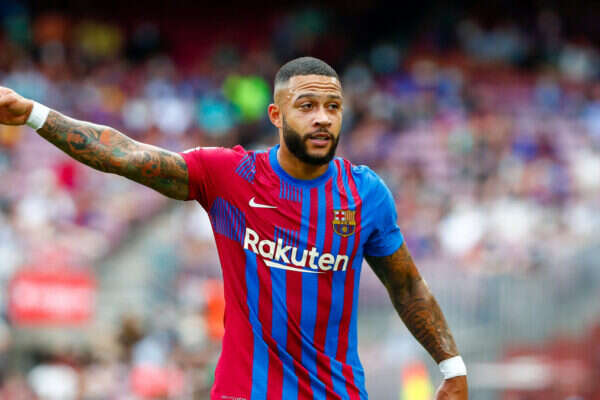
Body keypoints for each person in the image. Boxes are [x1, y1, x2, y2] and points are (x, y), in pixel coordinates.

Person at [0, 57, 468, 399]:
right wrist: (35, 115)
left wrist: (451, 367)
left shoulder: (365, 194)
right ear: (276, 115)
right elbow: (127, 155)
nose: (323, 118)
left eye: (333, 106)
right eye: (307, 105)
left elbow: (407, 286)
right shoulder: (229, 176)